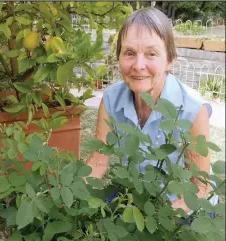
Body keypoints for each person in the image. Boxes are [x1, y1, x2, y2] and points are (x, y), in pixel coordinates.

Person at [86, 7, 215, 214]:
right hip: (136, 195)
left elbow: (199, 186)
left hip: (184, 207)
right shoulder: (111, 99)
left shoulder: (192, 109)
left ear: (170, 60)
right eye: (129, 53)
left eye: (151, 54)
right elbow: (98, 162)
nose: (138, 65)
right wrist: (71, 194)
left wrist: (155, 219)